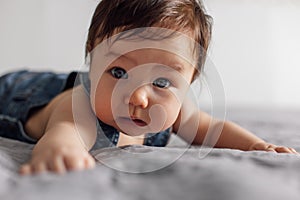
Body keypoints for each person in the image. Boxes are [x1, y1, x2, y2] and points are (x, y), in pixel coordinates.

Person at [0, 0, 297, 175]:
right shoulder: (81, 104)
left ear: (189, 79)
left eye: (162, 82)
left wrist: (259, 146)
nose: (139, 97)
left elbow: (211, 128)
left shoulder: (179, 109)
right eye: (118, 72)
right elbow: (65, 136)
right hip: (17, 90)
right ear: (92, 58)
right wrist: (61, 151)